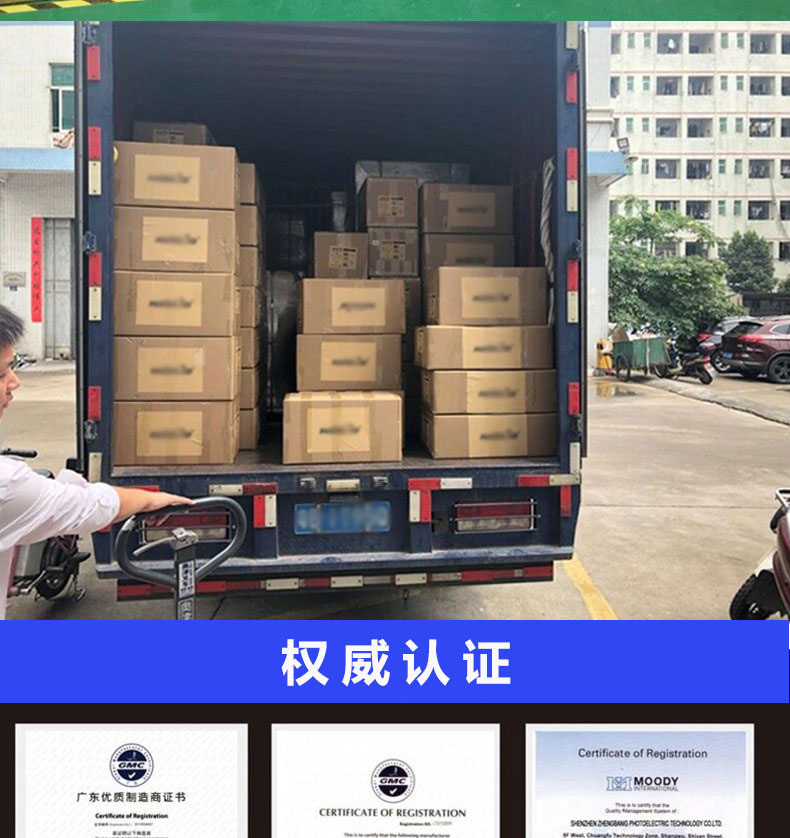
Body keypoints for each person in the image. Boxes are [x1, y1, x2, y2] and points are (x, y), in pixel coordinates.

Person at [0, 305, 191, 618]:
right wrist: (148, 499)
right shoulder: (6, 485)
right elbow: (88, 506)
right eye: (4, 372)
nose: (14, 381)